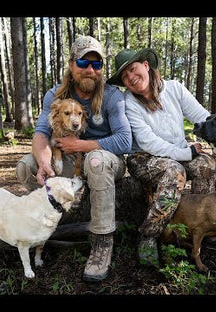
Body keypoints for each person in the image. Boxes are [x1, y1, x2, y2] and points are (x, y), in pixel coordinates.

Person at [15, 36, 132, 282]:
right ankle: (53, 218)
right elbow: (41, 134)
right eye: (83, 62)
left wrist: (81, 144)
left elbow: (124, 141)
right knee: (27, 166)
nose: (90, 69)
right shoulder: (54, 95)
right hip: (72, 158)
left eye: (96, 64)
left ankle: (101, 243)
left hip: (107, 161)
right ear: (71, 65)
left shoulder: (113, 96)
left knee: (96, 160)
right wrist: (45, 162)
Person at [107, 48, 216, 267]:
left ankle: (200, 227)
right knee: (174, 171)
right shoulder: (129, 103)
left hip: (178, 150)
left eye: (133, 69)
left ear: (145, 65)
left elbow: (203, 118)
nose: (131, 78)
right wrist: (186, 152)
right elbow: (148, 142)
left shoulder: (174, 88)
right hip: (144, 158)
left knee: (206, 165)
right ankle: (149, 235)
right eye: (125, 77)